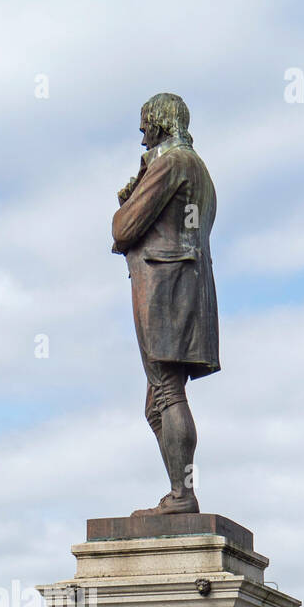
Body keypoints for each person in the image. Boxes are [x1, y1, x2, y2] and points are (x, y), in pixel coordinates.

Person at [111, 92, 220, 516]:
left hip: (166, 285)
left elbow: (124, 228)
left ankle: (182, 495)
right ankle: (179, 490)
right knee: (156, 401)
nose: (141, 133)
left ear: (160, 121)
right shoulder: (196, 169)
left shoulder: (171, 163)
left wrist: (134, 192)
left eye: (145, 123)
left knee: (167, 391)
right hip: (184, 285)